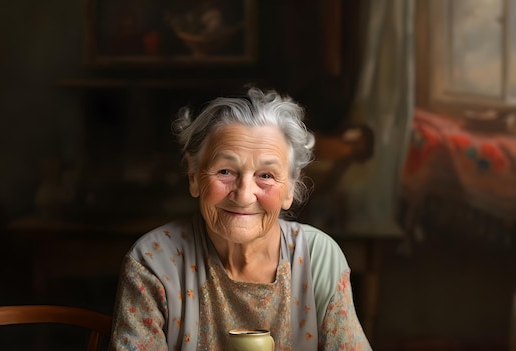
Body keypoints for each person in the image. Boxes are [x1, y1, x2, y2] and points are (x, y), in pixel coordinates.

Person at [109, 86, 372, 351]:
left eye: (266, 175)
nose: (244, 195)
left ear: (290, 189)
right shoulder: (154, 260)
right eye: (225, 171)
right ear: (193, 176)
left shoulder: (317, 257)